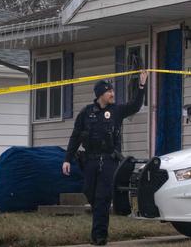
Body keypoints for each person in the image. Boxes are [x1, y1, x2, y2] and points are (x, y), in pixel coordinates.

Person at [62, 71, 148, 246]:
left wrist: (141, 85)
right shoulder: (86, 113)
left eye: (113, 91)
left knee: (102, 198)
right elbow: (75, 137)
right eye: (109, 91)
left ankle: (100, 237)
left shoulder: (116, 111)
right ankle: (99, 223)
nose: (113, 94)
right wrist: (67, 159)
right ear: (100, 94)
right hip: (90, 161)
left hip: (109, 161)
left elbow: (135, 106)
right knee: (89, 192)